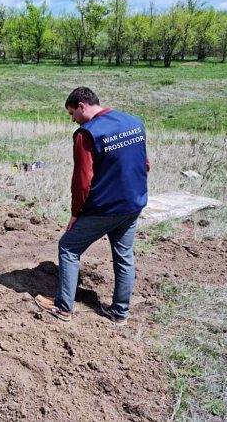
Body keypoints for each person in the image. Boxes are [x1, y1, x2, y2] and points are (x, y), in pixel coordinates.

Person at [35, 87, 149, 326]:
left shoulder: (86, 134)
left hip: (105, 208)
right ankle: (120, 312)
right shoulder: (133, 122)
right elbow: (145, 163)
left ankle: (63, 307)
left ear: (82, 106)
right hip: (134, 202)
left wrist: (76, 213)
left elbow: (82, 180)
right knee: (124, 255)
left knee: (68, 247)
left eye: (71, 114)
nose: (72, 119)